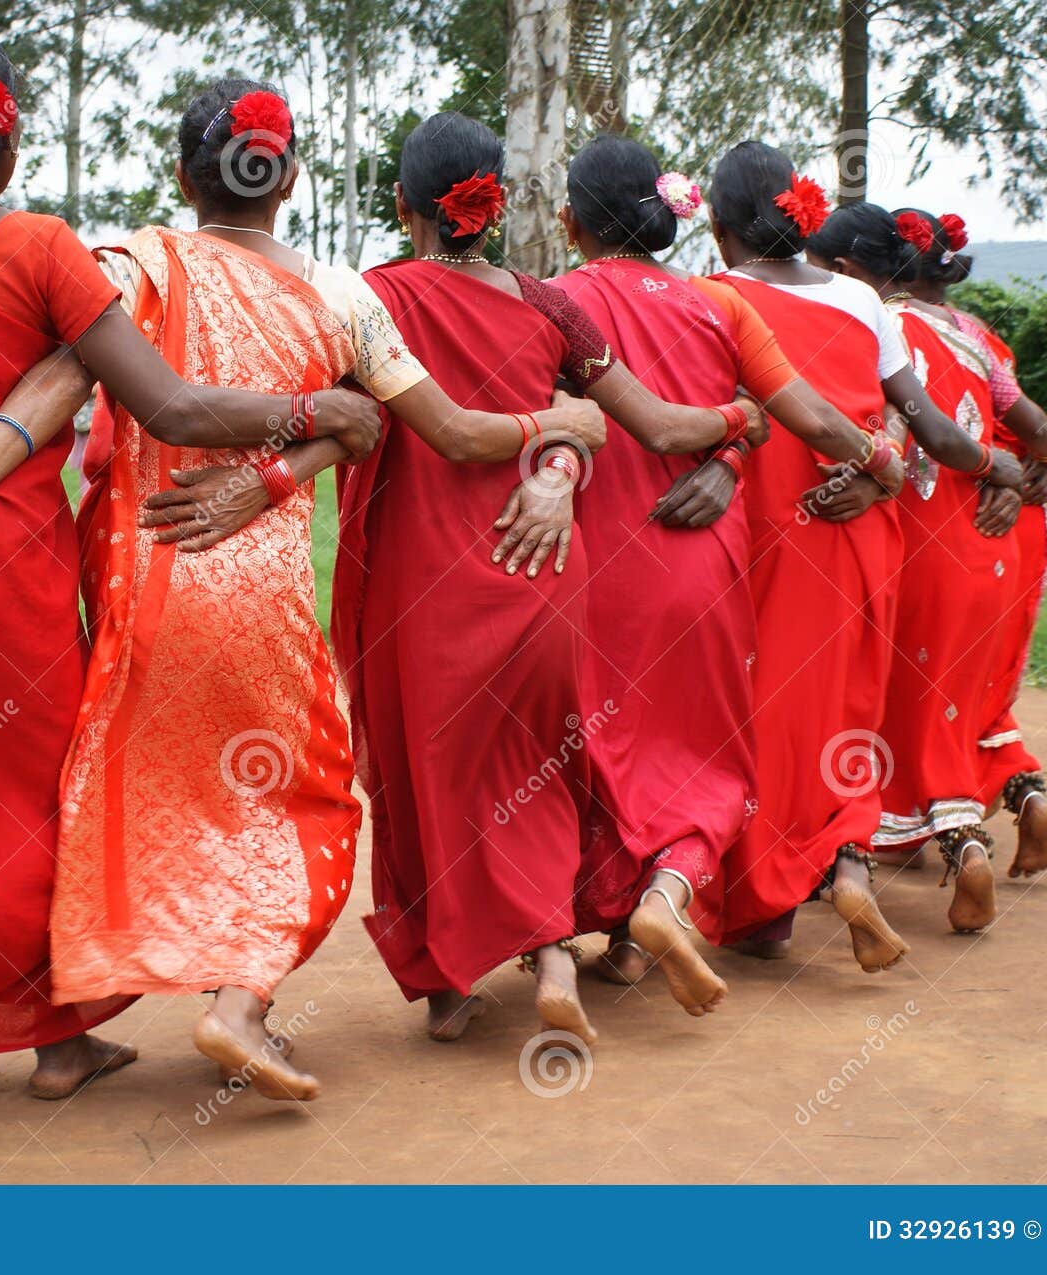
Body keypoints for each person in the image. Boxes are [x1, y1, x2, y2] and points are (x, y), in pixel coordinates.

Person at [0, 24, 380, 1146]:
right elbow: (172, 409)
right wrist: (315, 417)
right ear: (3, 139)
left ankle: (61, 1040)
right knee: (55, 812)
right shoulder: (43, 249)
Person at [0, 81, 605, 1101]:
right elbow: (440, 431)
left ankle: (60, 1040)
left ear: (184, 176)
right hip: (258, 597)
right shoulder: (345, 298)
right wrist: (554, 429)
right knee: (296, 801)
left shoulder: (129, 266)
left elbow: (56, 383)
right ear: (291, 177)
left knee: (118, 799)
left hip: (138, 582)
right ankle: (239, 1007)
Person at [329, 113, 764, 1045]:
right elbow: (655, 426)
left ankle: (450, 990)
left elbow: (346, 422)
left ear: (405, 205)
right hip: (542, 577)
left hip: (418, 590)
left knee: (424, 780)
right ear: (500, 203)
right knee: (540, 770)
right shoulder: (548, 306)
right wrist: (737, 419)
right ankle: (559, 955)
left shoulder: (371, 300)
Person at [550, 136, 904, 1002]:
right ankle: (698, 897)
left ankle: (600, 935)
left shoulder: (555, 301)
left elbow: (540, 414)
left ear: (571, 222)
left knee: (598, 741)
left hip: (592, 557)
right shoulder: (721, 308)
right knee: (720, 746)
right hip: (718, 556)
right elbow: (811, 417)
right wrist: (877, 459)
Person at [692, 149, 1022, 965]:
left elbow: (720, 420)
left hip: (766, 531)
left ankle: (764, 912)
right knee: (847, 713)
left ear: (720, 229)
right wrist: (996, 465)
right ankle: (847, 865)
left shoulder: (716, 299)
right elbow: (936, 433)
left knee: (763, 713)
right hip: (864, 533)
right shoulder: (863, 300)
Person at [817, 204, 1026, 932]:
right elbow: (1018, 420)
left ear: (845, 270)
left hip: (907, 545)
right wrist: (1024, 470)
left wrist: (875, 477)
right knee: (956, 707)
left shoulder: (871, 327)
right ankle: (966, 831)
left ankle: (915, 848)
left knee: (881, 706)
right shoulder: (971, 334)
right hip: (986, 541)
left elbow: (898, 435)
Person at [898, 211, 1047, 880]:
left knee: (918, 685)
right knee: (980, 691)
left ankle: (952, 829)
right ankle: (1026, 793)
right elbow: (1040, 434)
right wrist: (1033, 470)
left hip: (936, 525)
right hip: (1009, 531)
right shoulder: (977, 336)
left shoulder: (886, 328)